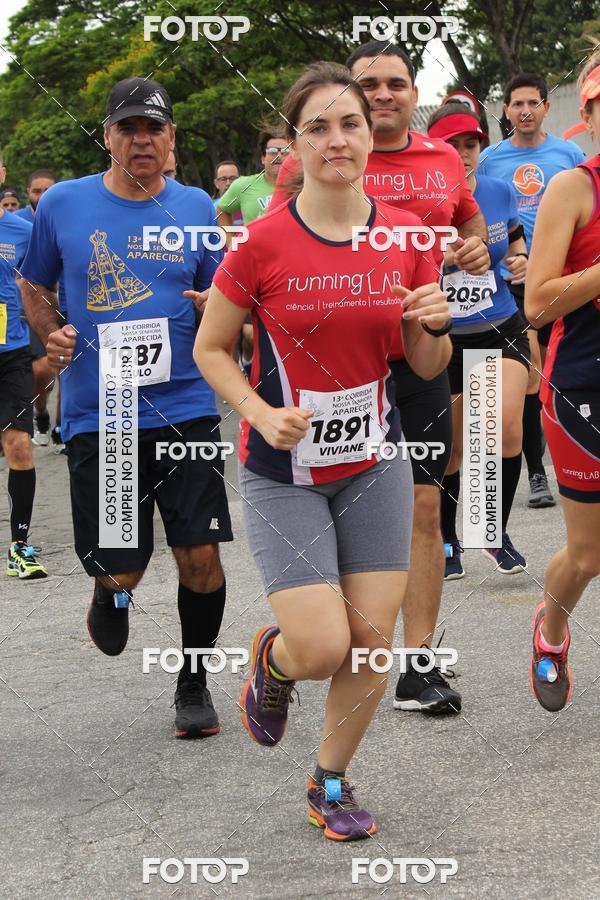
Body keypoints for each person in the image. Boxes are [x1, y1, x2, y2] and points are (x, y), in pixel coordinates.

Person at [195, 61, 452, 842]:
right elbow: (212, 348)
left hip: (375, 460)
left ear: (368, 138)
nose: (338, 139)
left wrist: (432, 324)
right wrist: (258, 410)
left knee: (371, 647)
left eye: (349, 123)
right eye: (319, 127)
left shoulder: (408, 236)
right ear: (293, 145)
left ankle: (329, 781)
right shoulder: (262, 243)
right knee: (320, 645)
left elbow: (426, 366)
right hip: (285, 471)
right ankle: (274, 662)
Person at [273, 42, 490, 714]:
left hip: (416, 355)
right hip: (331, 364)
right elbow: (273, 241)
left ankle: (418, 662)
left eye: (397, 83)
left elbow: (468, 225)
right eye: (372, 85)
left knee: (426, 507)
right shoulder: (312, 158)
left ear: (412, 90)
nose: (386, 94)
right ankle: (337, 639)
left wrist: (476, 250)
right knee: (340, 502)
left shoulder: (443, 158)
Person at [19, 77, 232, 737]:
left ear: (170, 140)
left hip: (187, 406)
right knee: (123, 565)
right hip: (102, 414)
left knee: (200, 556)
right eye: (129, 128)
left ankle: (192, 680)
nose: (142, 140)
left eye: (154, 129)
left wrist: (212, 308)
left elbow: (220, 293)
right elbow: (33, 281)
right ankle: (109, 587)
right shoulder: (62, 204)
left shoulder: (197, 206)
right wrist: (50, 333)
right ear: (109, 136)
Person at [525, 53, 600, 712]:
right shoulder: (575, 189)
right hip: (583, 388)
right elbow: (538, 303)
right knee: (589, 554)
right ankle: (550, 628)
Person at [427, 103, 531, 578]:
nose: (463, 154)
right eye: (452, 146)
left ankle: (491, 531)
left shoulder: (498, 191)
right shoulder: (420, 201)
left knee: (505, 428)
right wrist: (442, 261)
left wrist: (520, 259)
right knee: (454, 448)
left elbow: (512, 241)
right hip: (443, 338)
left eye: (470, 144)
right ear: (434, 149)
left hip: (499, 324)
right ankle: (448, 538)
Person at [479, 72, 585, 510]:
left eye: (532, 103)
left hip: (565, 281)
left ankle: (574, 459)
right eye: (516, 104)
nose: (524, 111)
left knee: (559, 373)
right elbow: (478, 216)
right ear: (505, 110)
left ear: (544, 107)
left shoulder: (568, 153)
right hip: (510, 284)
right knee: (521, 379)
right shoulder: (489, 160)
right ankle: (537, 473)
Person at [0, 155, 47, 579]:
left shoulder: (22, 231)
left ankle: (20, 545)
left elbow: (42, 280)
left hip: (11, 352)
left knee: (19, 447)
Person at [14, 169, 59, 447]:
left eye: (47, 190)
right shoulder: (19, 224)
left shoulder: (67, 214)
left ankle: (62, 428)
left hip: (68, 299)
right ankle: (40, 410)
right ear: (27, 193)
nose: (42, 197)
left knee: (68, 368)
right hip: (31, 305)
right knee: (42, 369)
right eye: (36, 191)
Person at [216, 134, 288, 225]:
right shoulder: (243, 185)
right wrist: (229, 238)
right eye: (272, 151)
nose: (278, 156)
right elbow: (222, 210)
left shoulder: (304, 186)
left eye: (285, 151)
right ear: (263, 158)